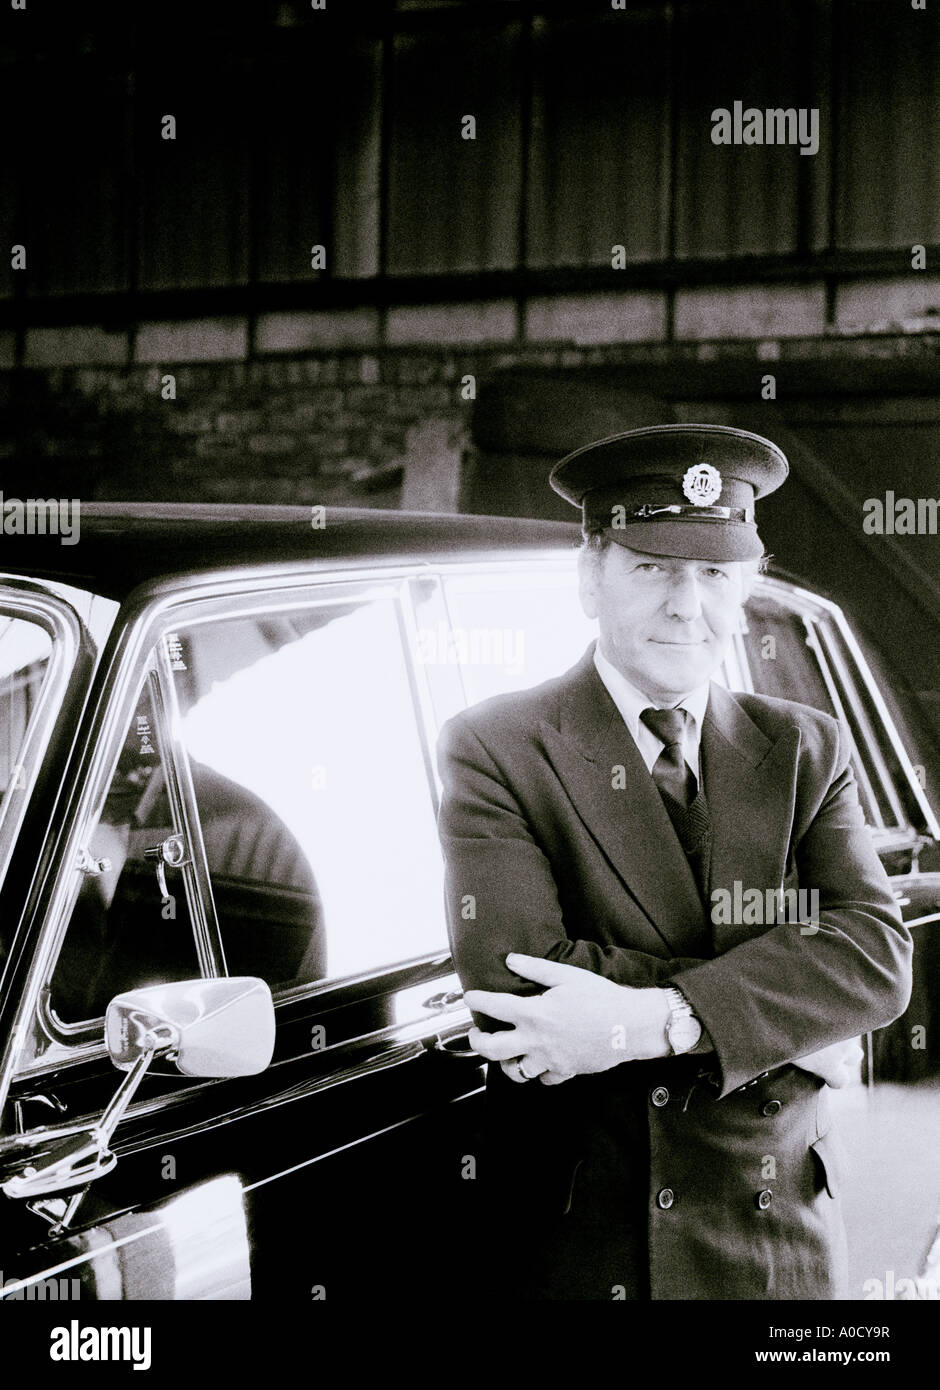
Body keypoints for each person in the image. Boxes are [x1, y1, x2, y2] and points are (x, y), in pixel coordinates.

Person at [436, 423, 912, 1300]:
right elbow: (519, 987)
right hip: (592, 1248)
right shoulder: (498, 746)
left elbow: (875, 957)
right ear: (591, 576)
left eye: (715, 575)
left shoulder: (806, 747)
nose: (686, 606)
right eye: (653, 568)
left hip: (776, 1251)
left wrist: (653, 1021)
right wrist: (794, 1024)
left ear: (747, 587)